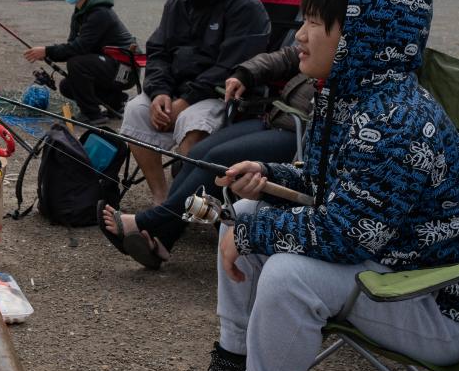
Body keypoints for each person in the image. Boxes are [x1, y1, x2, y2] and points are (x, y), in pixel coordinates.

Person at [177, 0, 459, 371]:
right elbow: (328, 187)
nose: (299, 35)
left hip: (439, 301)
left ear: (362, 32)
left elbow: (349, 232)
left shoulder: (396, 120)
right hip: (395, 264)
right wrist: (268, 174)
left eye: (316, 22)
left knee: (289, 274)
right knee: (242, 207)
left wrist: (250, 234)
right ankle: (236, 359)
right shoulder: (350, 92)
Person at [101, 34, 310, 268]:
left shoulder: (346, 63)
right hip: (277, 118)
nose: (301, 32)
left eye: (312, 23)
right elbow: (285, 56)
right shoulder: (315, 45)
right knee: (200, 153)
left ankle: (150, 221)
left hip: (301, 135)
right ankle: (163, 242)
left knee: (217, 160)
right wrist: (245, 73)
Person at [119, 0, 269, 203]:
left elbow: (232, 64)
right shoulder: (177, 0)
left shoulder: (245, 5)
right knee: (135, 110)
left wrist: (184, 101)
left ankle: (182, 202)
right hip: (175, 90)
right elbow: (158, 50)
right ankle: (161, 197)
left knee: (193, 121)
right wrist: (159, 92)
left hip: (221, 94)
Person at [23, 0, 134, 122]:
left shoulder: (100, 12)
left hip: (125, 72)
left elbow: (78, 48)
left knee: (77, 63)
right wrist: (50, 53)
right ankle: (116, 102)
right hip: (109, 66)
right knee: (68, 86)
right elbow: (72, 45)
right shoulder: (81, 11)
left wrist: (47, 51)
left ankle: (92, 115)